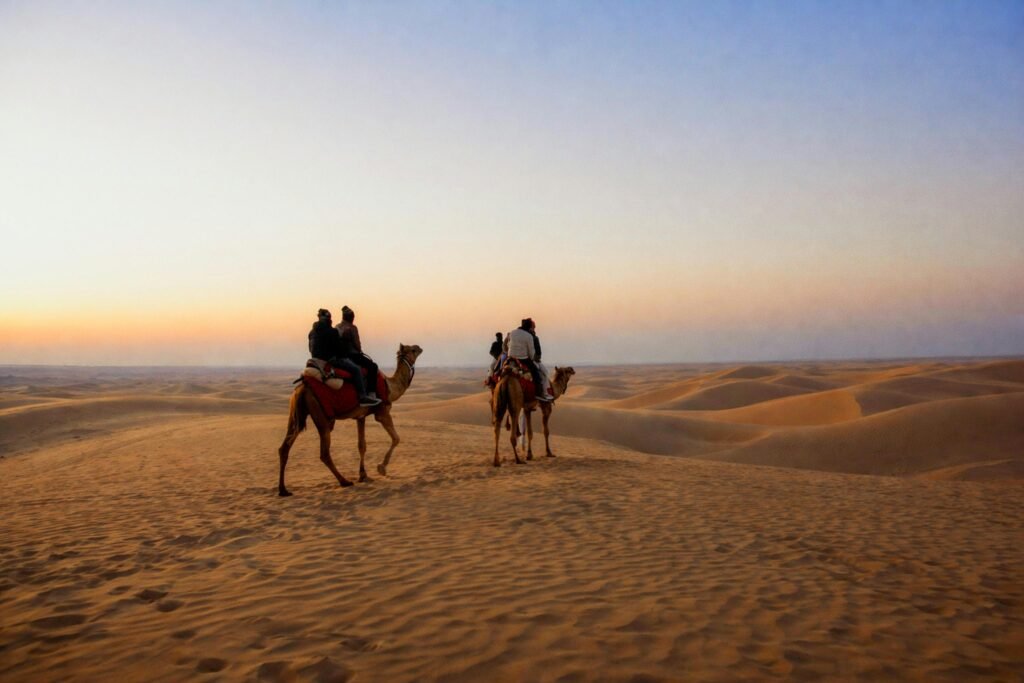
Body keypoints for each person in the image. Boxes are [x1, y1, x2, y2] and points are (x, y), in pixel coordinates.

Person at [307, 308, 379, 407]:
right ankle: (363, 397)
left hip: (314, 361)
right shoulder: (333, 331)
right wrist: (345, 356)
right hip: (330, 360)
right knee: (356, 370)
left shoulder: (311, 332)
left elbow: (310, 349)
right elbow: (340, 350)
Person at [336, 305, 381, 403]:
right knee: (373, 367)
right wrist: (360, 350)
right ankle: (371, 393)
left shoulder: (337, 327)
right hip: (354, 356)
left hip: (342, 357)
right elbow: (357, 345)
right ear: (351, 318)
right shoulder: (352, 328)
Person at [504, 318, 550, 401]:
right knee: (536, 374)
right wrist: (533, 358)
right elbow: (531, 353)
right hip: (523, 359)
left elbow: (507, 345)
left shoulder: (512, 332)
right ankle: (539, 393)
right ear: (529, 327)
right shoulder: (529, 336)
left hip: (510, 357)